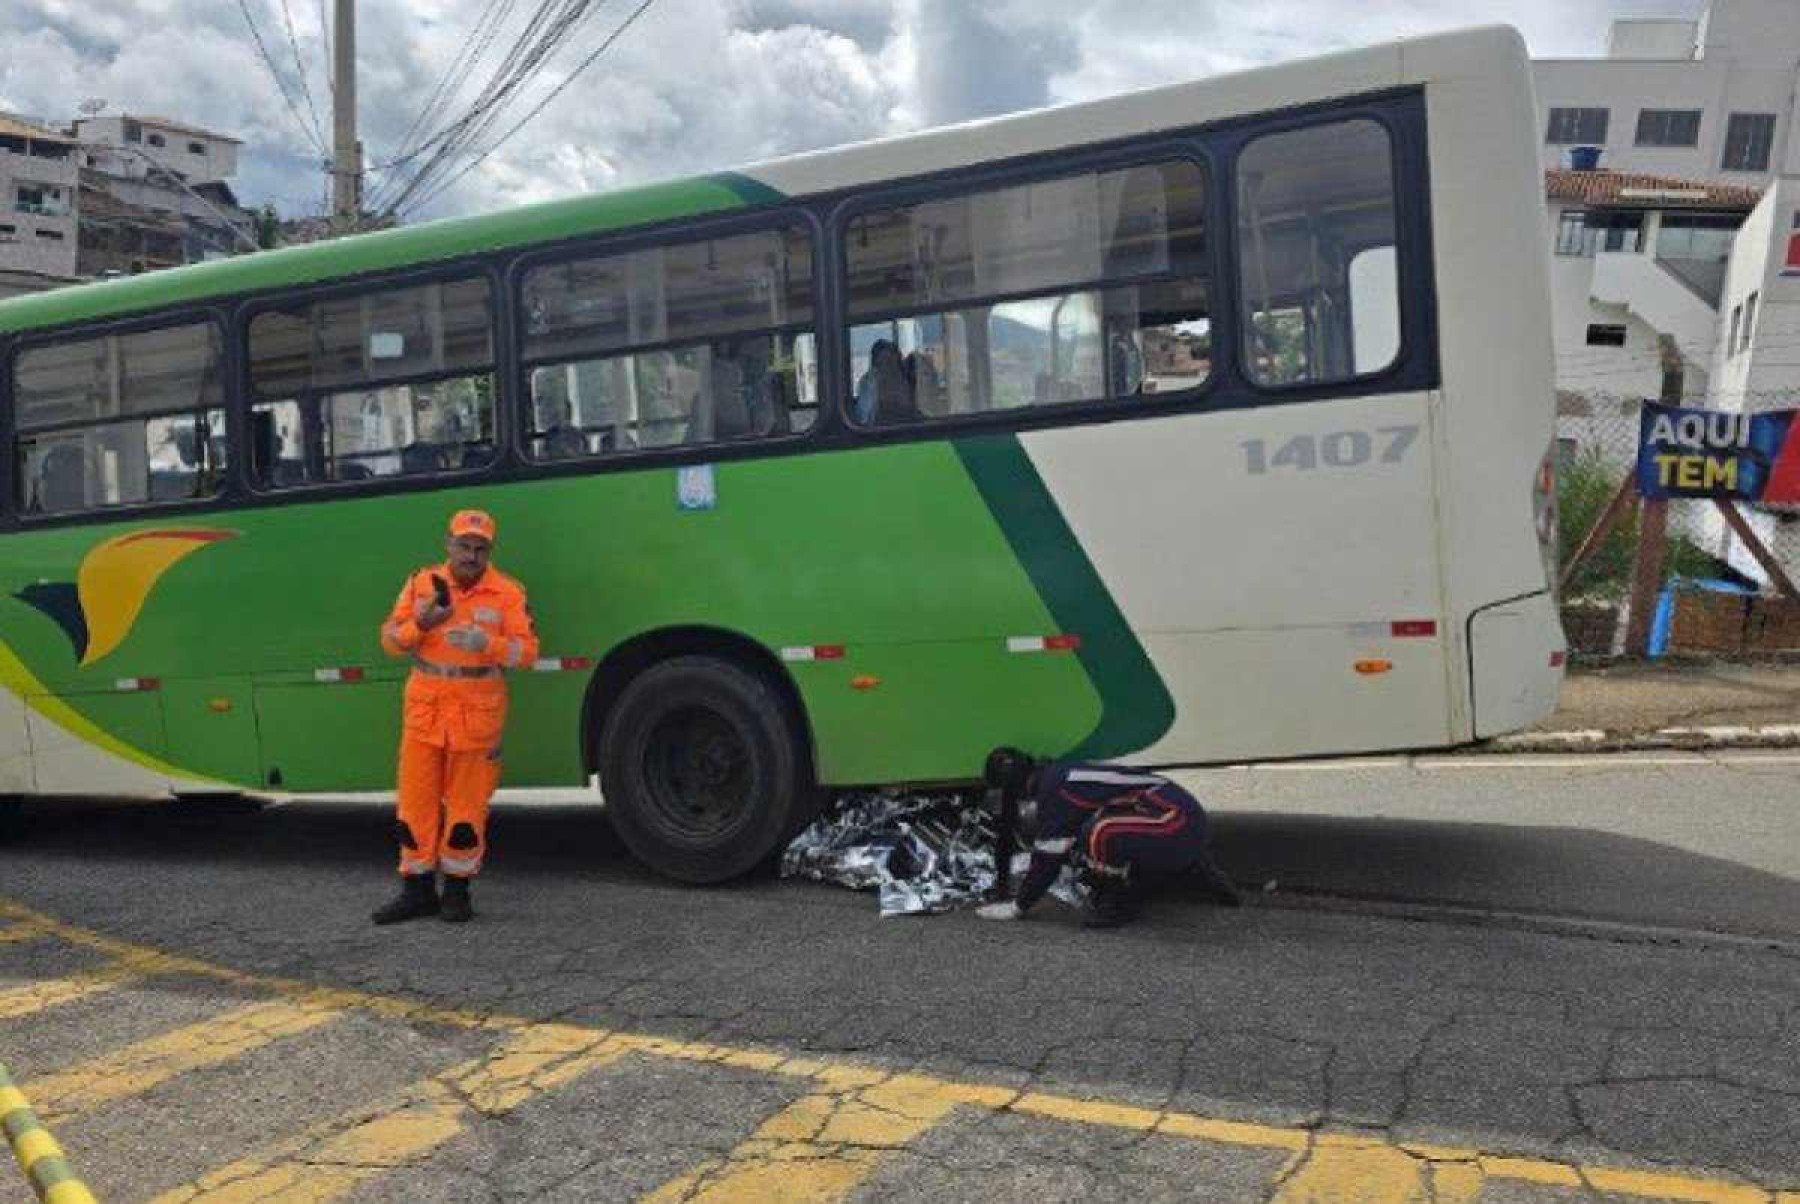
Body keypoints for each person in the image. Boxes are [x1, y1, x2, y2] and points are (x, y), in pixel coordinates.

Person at [371, 509, 539, 924]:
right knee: (414, 807)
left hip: (477, 716)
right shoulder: (422, 584)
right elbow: (390, 641)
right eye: (464, 546)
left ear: (489, 552)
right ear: (448, 545)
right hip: (425, 713)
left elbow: (529, 653)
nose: (471, 555)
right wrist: (421, 625)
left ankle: (458, 893)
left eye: (480, 548)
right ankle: (417, 891)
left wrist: (490, 643)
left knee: (467, 810)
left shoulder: (508, 594)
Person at [975, 747, 1240, 927]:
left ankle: (1120, 904)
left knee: (1101, 833)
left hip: (1176, 822)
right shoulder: (1061, 775)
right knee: (1095, 832)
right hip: (1183, 818)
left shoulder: (1055, 793)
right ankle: (1192, 868)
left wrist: (1019, 906)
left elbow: (1048, 858)